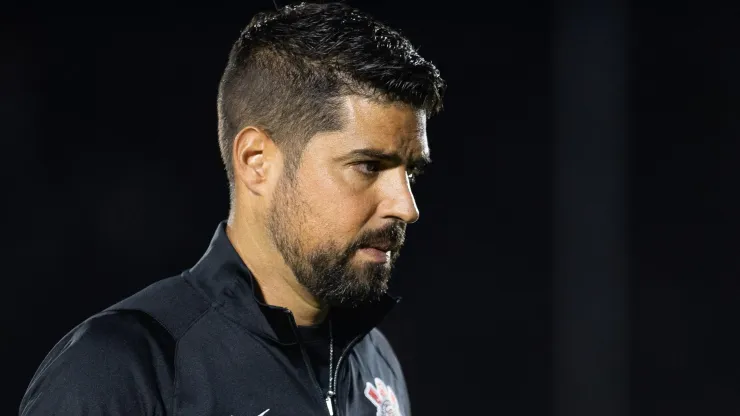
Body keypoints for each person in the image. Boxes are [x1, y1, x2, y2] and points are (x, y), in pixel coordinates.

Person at [19, 2, 445, 415]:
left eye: (410, 174)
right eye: (368, 166)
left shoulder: (377, 367)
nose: (406, 208)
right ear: (257, 161)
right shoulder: (121, 371)